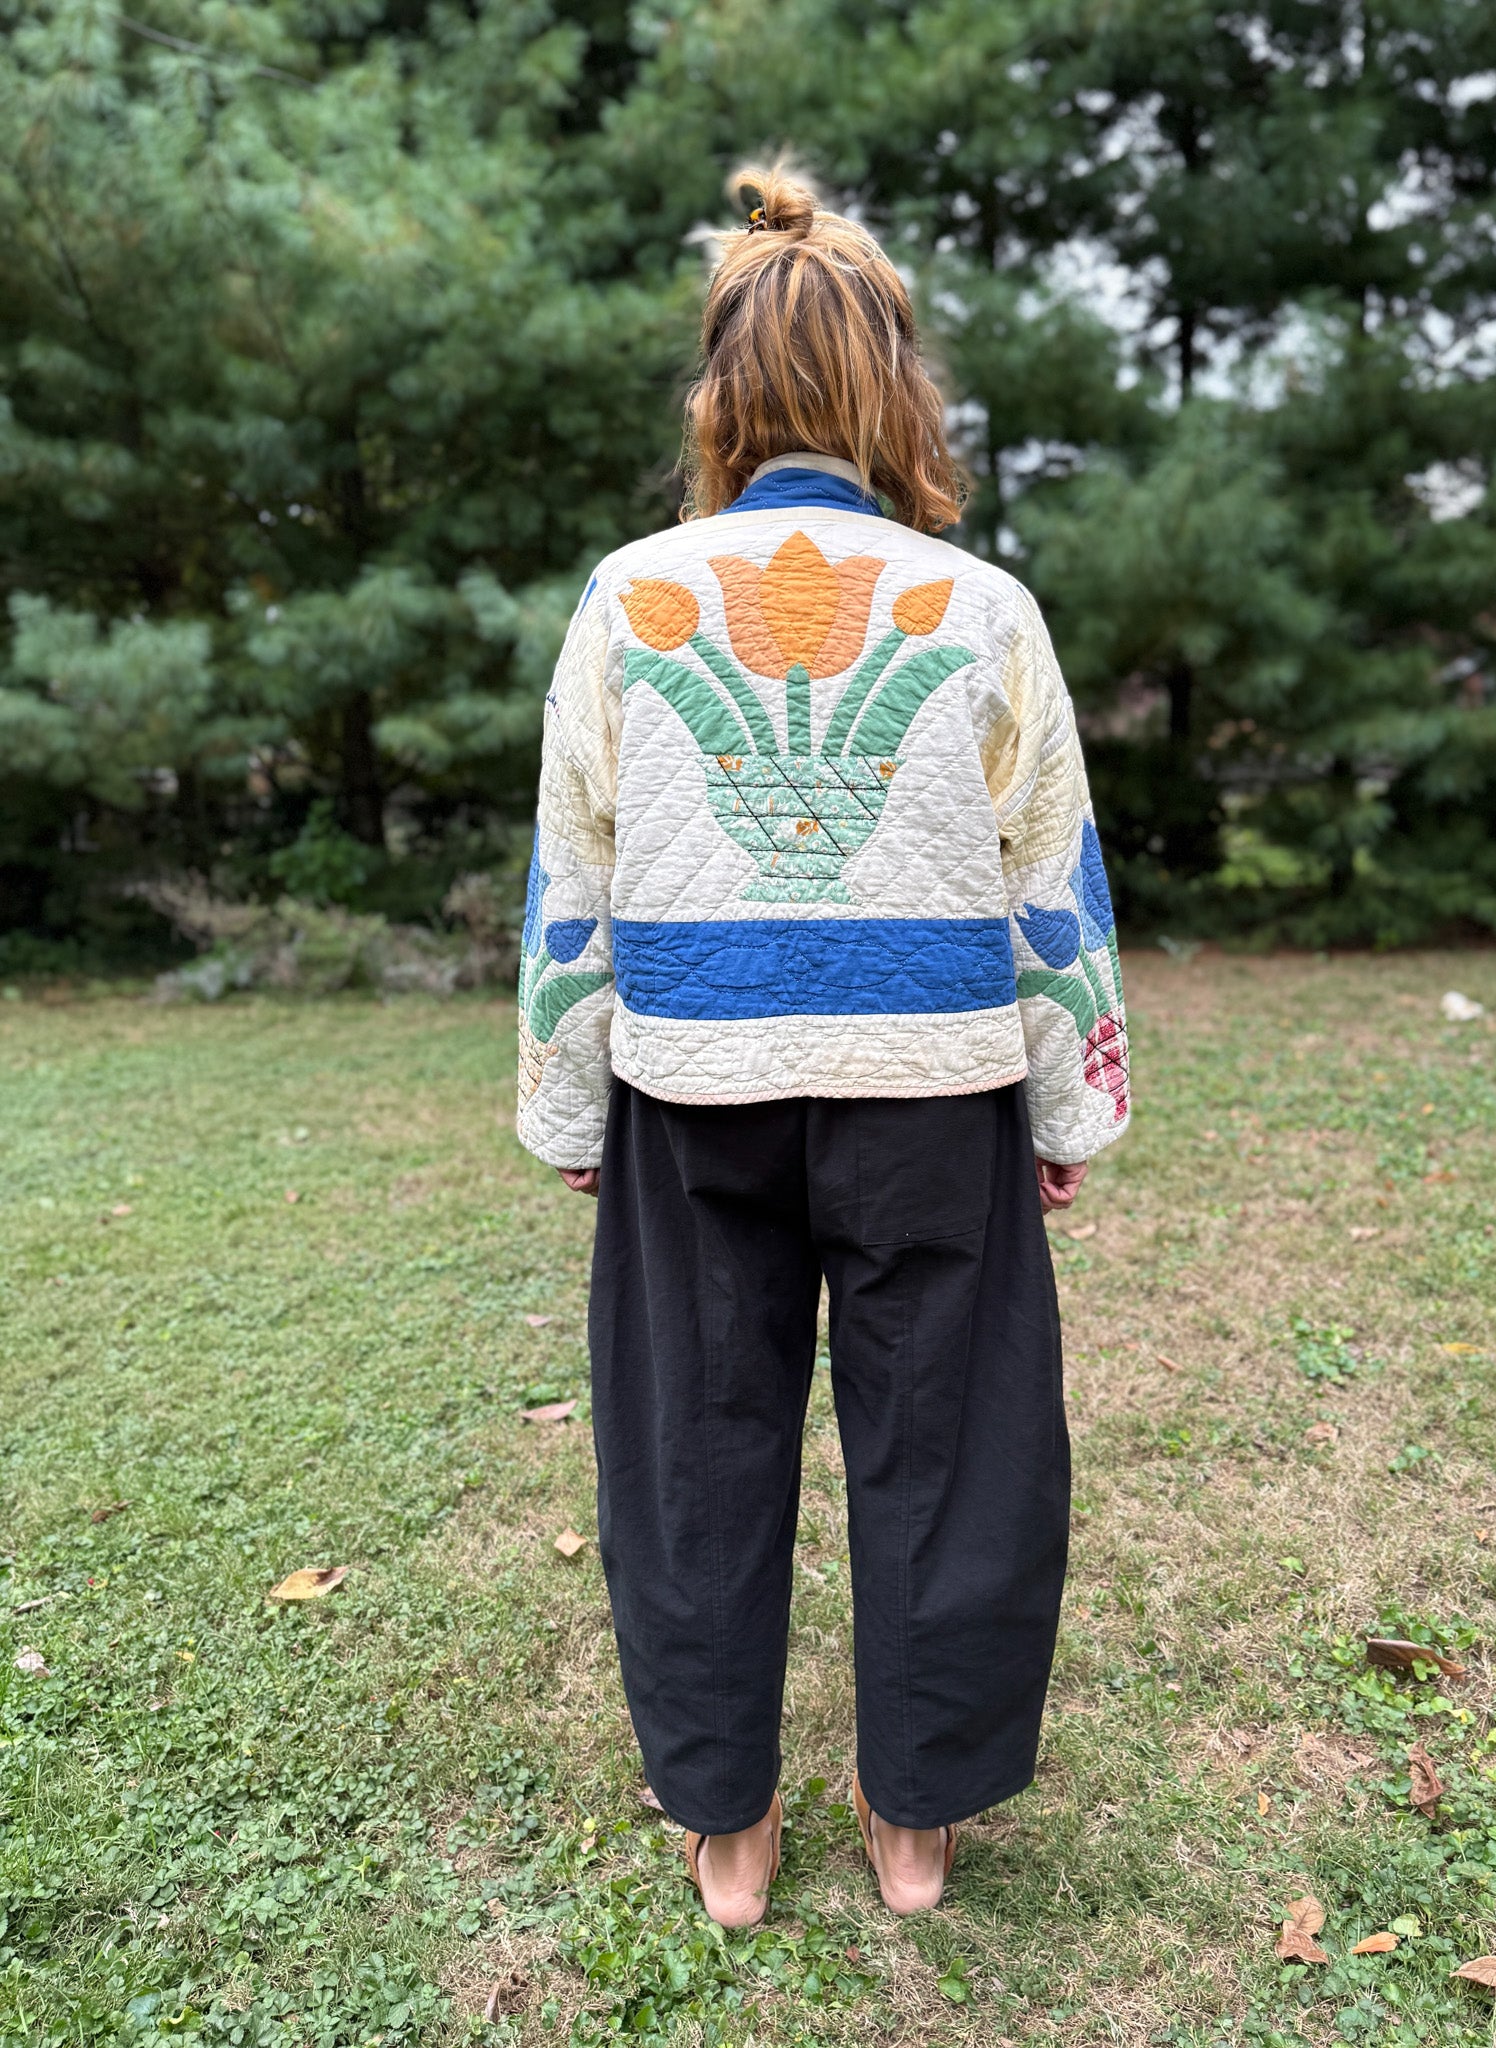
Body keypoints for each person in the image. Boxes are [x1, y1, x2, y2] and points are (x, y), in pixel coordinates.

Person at [516, 164, 1130, 1929]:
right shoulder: (981, 605)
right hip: (933, 1092)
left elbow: (575, 875)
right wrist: (1068, 1102)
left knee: (692, 1443)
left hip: (691, 1088)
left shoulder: (629, 596)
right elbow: (1050, 879)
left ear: (717, 394)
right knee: (950, 1443)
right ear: (894, 391)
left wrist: (569, 1103)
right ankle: (913, 1818)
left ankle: (725, 1826)